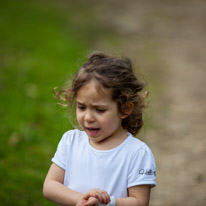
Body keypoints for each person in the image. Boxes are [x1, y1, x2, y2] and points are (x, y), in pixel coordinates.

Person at [43, 51, 156, 206]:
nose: (88, 117)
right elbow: (50, 187)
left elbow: (139, 202)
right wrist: (81, 199)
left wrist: (105, 203)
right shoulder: (71, 141)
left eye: (99, 110)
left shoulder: (137, 153)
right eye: (82, 107)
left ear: (124, 109)